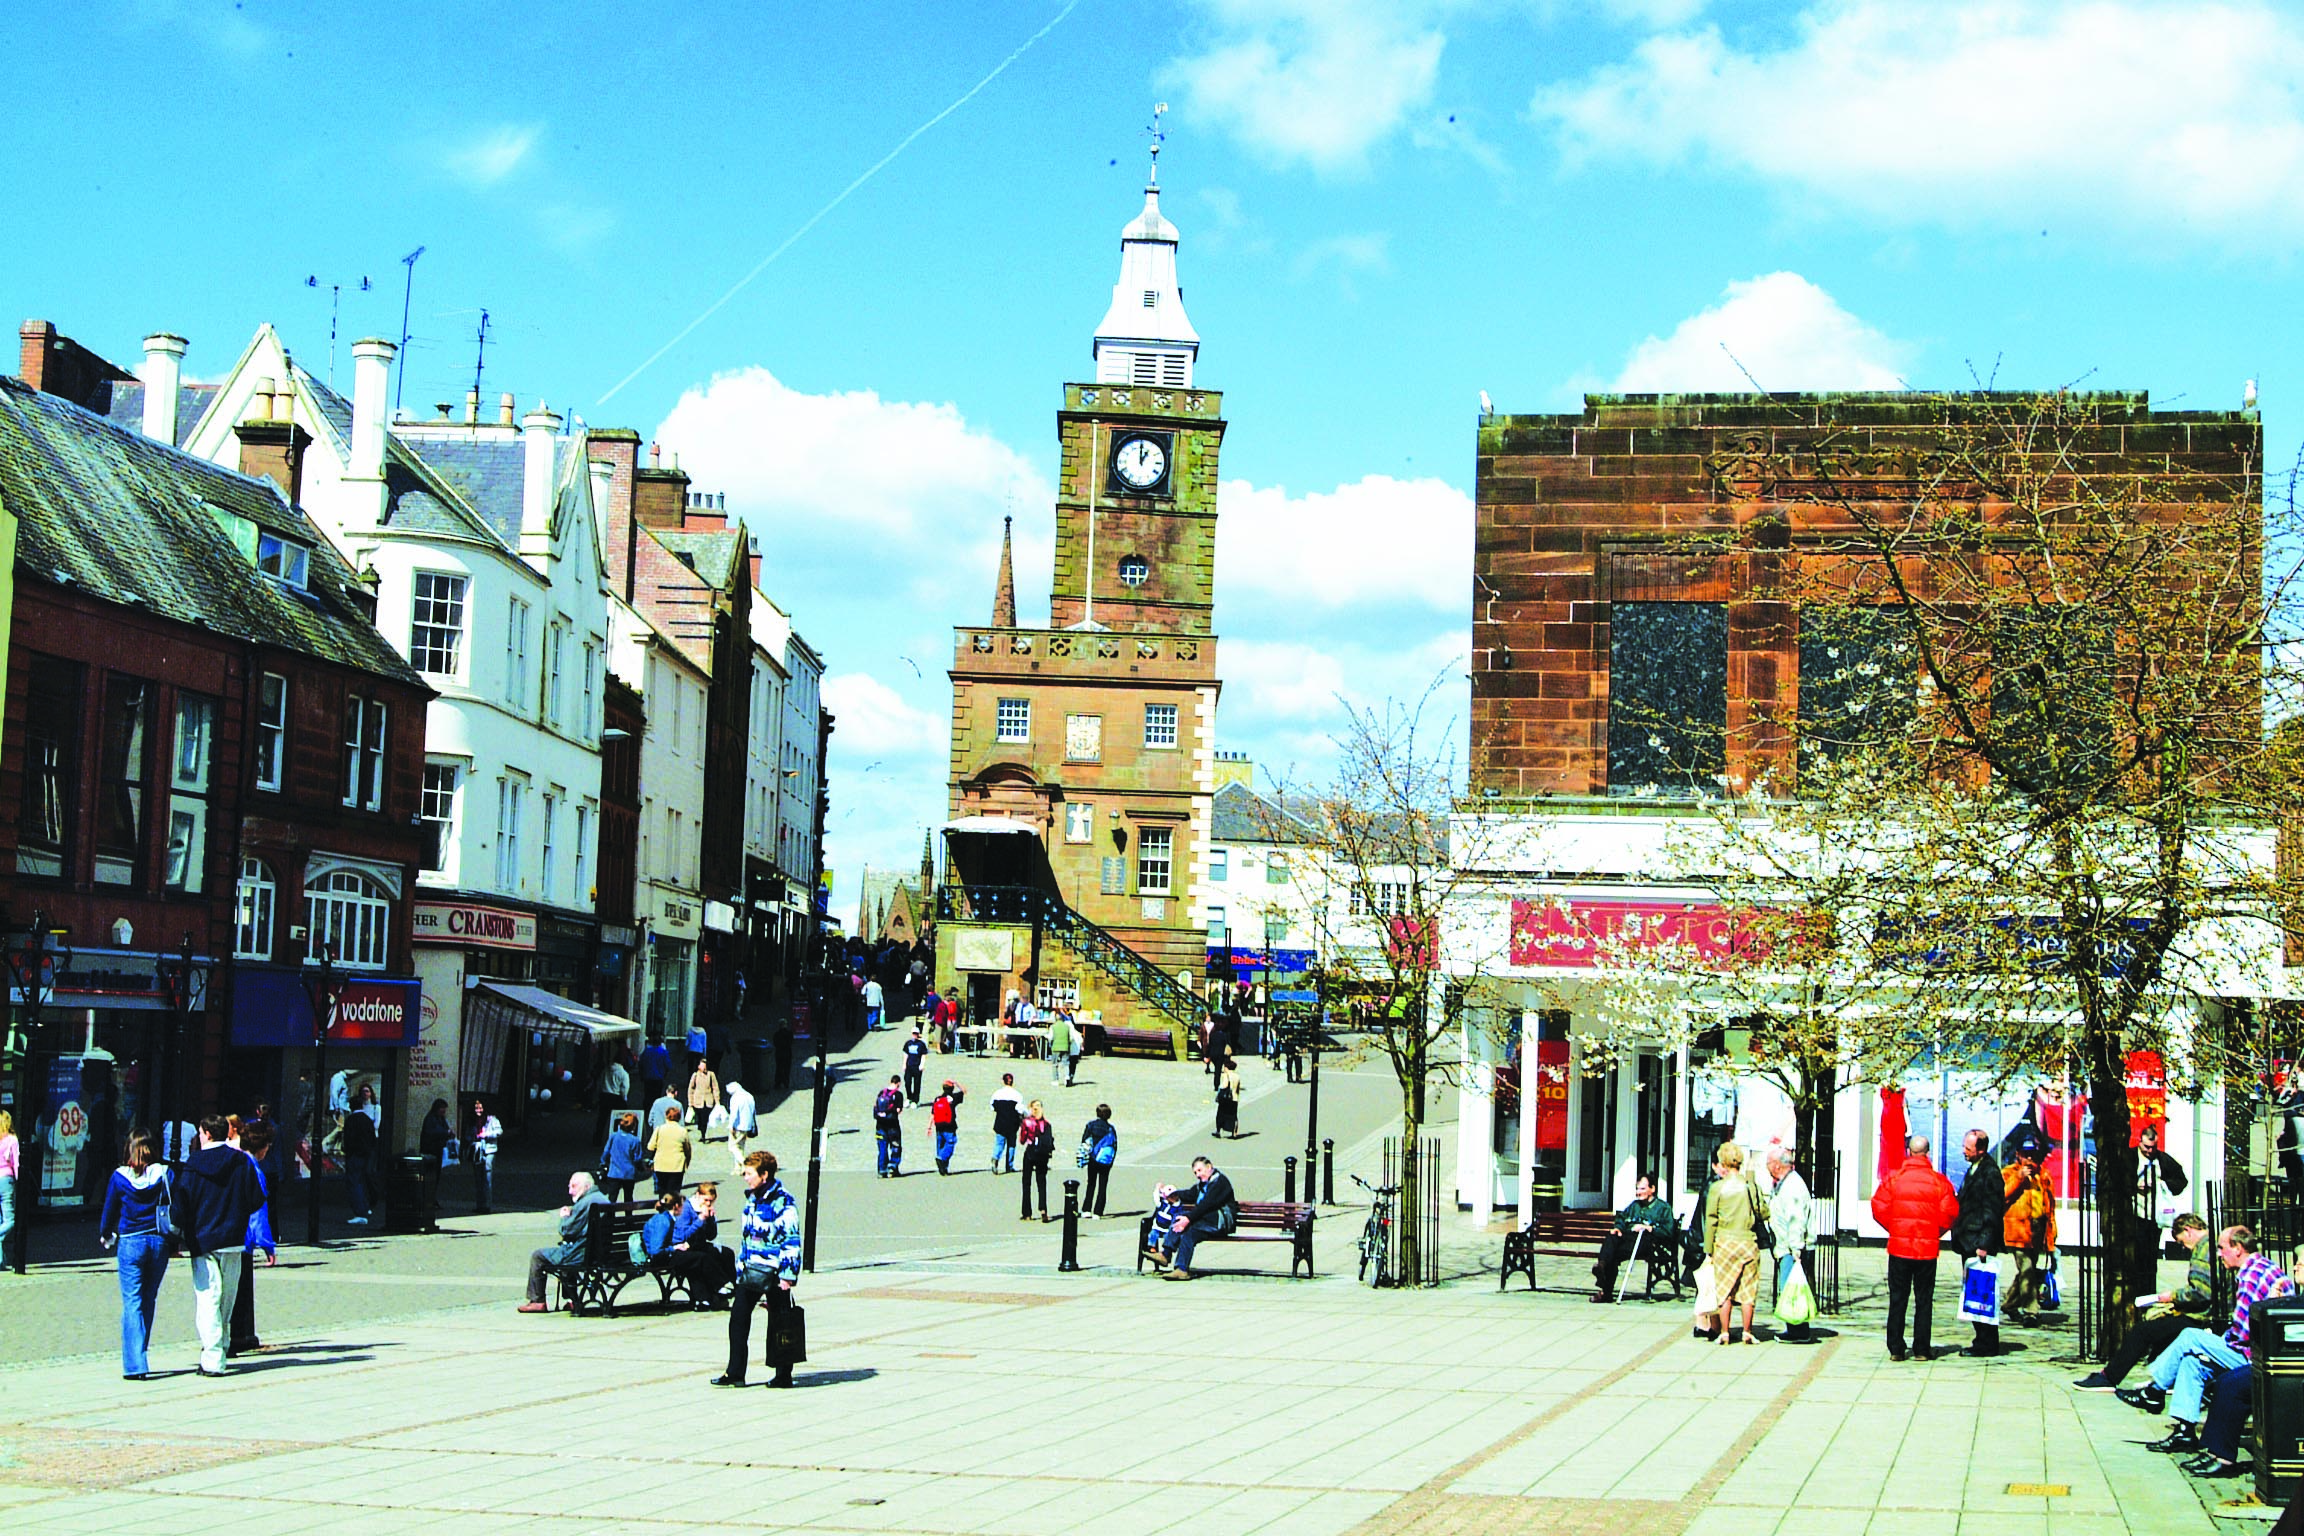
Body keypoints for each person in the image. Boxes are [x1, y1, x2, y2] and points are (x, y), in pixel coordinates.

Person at [2120, 1225, 2296, 1453]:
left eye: (2222, 1248)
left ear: (2238, 1248)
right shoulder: (2263, 1267)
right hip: (2259, 1349)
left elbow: (2243, 1334)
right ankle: (2184, 1432)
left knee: (2190, 1337)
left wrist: (2214, 1342)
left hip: (2256, 1356)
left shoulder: (2250, 1277)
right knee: (2192, 1363)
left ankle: (2154, 1391)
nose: (2219, 1254)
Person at [2074, 1214, 2214, 1390]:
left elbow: (2200, 1293)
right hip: (2207, 1314)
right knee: (2162, 1330)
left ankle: (2109, 1377)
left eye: (2181, 1242)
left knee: (2142, 1331)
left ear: (2188, 1231)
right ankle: (2166, 1379)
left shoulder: (2203, 1250)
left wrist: (2172, 1297)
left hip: (2202, 1317)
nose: (2183, 1247)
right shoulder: (2213, 1243)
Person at [176, 1114, 264, 1376]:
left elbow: (182, 1203)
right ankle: (222, 1345)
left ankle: (213, 1358)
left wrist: (178, 1229)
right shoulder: (240, 1161)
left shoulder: (193, 1164)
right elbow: (256, 1198)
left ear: (206, 1134)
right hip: (233, 1238)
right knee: (227, 1296)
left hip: (203, 1239)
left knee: (207, 1298)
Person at [715, 1149, 802, 1388]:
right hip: (751, 1269)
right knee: (738, 1319)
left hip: (774, 1272)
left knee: (780, 1322)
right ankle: (735, 1372)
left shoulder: (783, 1201)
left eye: (749, 1173)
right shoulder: (752, 1198)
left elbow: (791, 1239)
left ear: (764, 1175)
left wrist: (788, 1276)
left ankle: (783, 1373)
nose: (745, 1177)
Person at [1871, 1134, 1959, 1362]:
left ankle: (1896, 1348)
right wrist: (1933, 1231)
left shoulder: (1894, 1179)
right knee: (1924, 1299)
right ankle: (1921, 1348)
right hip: (1926, 1250)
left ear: (1909, 1152)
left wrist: (1895, 1227)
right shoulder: (1939, 1182)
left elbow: (1878, 1206)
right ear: (1927, 1153)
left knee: (1898, 1298)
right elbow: (1949, 1213)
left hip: (1900, 1247)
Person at [99, 1129, 171, 1380]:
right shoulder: (165, 1173)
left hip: (130, 1241)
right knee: (148, 1300)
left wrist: (106, 1233)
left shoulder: (120, 1177)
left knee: (132, 1302)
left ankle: (135, 1364)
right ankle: (141, 1349)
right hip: (159, 1240)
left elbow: (109, 1209)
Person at [1704, 1142, 1769, 1346]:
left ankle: (1724, 1332)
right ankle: (1747, 1332)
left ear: (1723, 1162)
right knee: (1748, 1290)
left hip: (1724, 1242)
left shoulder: (1717, 1188)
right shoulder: (1750, 1186)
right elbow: (1764, 1212)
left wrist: (1708, 1250)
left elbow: (1711, 1219)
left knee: (1724, 1290)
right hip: (1748, 1242)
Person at [1951, 1128, 2008, 1356]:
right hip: (1969, 1239)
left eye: (1968, 1148)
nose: (1964, 1151)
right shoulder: (1974, 1169)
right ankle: (1982, 1339)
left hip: (1979, 1242)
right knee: (1974, 1293)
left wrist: (1984, 1243)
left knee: (1981, 1293)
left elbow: (1991, 1211)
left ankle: (1986, 1342)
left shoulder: (1990, 1173)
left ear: (1981, 1149)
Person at [518, 1172, 609, 1313]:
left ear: (586, 1186)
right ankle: (571, 1299)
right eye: (569, 1186)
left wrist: (564, 1217)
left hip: (582, 1254)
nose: (570, 1191)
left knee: (538, 1256)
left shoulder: (586, 1203)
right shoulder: (603, 1199)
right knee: (566, 1253)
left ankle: (537, 1301)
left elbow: (567, 1230)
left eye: (574, 1186)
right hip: (599, 1252)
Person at [229, 1120, 278, 1357]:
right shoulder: (253, 1169)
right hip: (243, 1238)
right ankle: (241, 1335)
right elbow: (258, 1211)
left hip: (224, 1234)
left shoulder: (233, 1161)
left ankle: (237, 1334)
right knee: (242, 1289)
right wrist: (267, 1245)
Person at [1592, 1172, 1677, 1303]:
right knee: (1612, 1237)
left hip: (1648, 1242)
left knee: (1612, 1254)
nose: (1638, 1192)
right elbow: (1621, 1218)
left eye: (1642, 1189)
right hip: (1628, 1239)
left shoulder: (1663, 1208)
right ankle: (1601, 1267)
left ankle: (1605, 1291)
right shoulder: (1634, 1206)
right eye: (1637, 1189)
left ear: (1652, 1189)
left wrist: (1649, 1228)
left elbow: (1668, 1231)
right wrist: (1618, 1228)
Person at [1763, 1148, 1818, 1342]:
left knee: (1792, 1289)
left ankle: (1798, 1331)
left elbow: (1796, 1219)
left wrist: (1796, 1248)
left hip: (1792, 1249)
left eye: (1768, 1162)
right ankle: (1795, 1328)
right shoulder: (1783, 1184)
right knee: (1790, 1288)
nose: (1766, 1166)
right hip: (1786, 1246)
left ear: (1777, 1164)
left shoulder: (1792, 1186)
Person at [2003, 1145, 2057, 1324]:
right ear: (2018, 1155)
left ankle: (2009, 1304)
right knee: (2026, 1269)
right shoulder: (2009, 1172)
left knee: (2029, 1271)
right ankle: (2031, 1311)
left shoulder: (2043, 1175)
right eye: (2026, 1156)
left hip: (2037, 1228)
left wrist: (2051, 1234)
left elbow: (2050, 1207)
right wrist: (2018, 1179)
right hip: (2017, 1229)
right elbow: (2001, 1195)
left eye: (2034, 1156)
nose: (2030, 1160)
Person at [1162, 1155, 1238, 1281]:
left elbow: (1206, 1205)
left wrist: (1188, 1219)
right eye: (1195, 1172)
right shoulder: (1202, 1185)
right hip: (1206, 1221)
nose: (1197, 1175)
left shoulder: (1220, 1182)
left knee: (1186, 1224)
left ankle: (1174, 1262)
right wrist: (1173, 1195)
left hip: (1219, 1222)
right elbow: (1190, 1194)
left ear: (1209, 1167)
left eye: (1199, 1170)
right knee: (1185, 1228)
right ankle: (1173, 1261)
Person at [663, 1182, 734, 1306]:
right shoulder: (687, 1209)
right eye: (706, 1200)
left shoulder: (705, 1209)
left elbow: (711, 1236)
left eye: (711, 1201)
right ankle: (719, 1286)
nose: (708, 1204)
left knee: (726, 1253)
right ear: (698, 1195)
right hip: (682, 1247)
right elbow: (681, 1236)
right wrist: (700, 1220)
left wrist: (711, 1220)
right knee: (703, 1258)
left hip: (698, 1244)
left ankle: (728, 1290)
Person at [2135, 1124, 2188, 1283]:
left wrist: (2161, 1184)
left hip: (2154, 1216)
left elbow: (2181, 1181)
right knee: (2135, 1258)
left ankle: (2148, 1291)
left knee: (2150, 1259)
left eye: (2153, 1147)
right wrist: (2134, 1186)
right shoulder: (2131, 1158)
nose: (2150, 1151)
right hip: (2134, 1214)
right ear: (2139, 1142)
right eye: (2146, 1147)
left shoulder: (2162, 1159)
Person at [341, 1088, 378, 1227]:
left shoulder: (352, 1120)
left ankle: (360, 1212)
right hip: (366, 1155)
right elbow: (373, 1139)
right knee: (361, 1181)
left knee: (354, 1182)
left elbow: (349, 1140)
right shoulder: (367, 1120)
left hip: (354, 1155)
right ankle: (365, 1207)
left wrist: (348, 1150)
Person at [417, 1099, 454, 1226]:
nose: (444, 1111)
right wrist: (445, 1133)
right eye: (442, 1108)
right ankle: (427, 1199)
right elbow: (431, 1132)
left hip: (438, 1152)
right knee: (429, 1176)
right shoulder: (431, 1119)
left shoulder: (441, 1119)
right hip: (430, 1152)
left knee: (436, 1176)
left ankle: (432, 1198)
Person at [1079, 1105, 1118, 1218]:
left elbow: (1084, 1141)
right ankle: (1098, 1211)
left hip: (1093, 1158)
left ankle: (1086, 1209)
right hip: (1105, 1160)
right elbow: (1114, 1145)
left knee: (1091, 1183)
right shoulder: (1111, 1128)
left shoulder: (1091, 1125)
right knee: (1102, 1185)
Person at [601, 1112, 648, 1205]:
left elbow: (606, 1152)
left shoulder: (613, 1136)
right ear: (634, 1126)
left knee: (612, 1198)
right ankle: (628, 1217)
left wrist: (603, 1163)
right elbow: (637, 1159)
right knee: (628, 1198)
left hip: (614, 1173)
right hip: (628, 1174)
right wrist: (642, 1168)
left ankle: (610, 1217)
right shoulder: (635, 1141)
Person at [1019, 1100, 1054, 1221]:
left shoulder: (1027, 1122)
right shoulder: (1047, 1124)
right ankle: (1043, 1209)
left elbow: (1022, 1140)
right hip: (1042, 1155)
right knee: (1041, 1182)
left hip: (1030, 1153)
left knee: (1027, 1183)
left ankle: (1027, 1212)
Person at [648, 1105, 692, 1199]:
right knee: (674, 1192)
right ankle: (673, 1211)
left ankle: (663, 1210)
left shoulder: (659, 1129)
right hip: (677, 1166)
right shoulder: (682, 1131)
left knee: (662, 1191)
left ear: (666, 1116)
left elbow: (650, 1147)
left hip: (661, 1165)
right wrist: (687, 1163)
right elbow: (687, 1150)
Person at [470, 1100, 503, 1214]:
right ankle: (479, 1205)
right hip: (477, 1151)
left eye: (480, 1108)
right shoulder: (473, 1121)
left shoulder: (492, 1119)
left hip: (489, 1151)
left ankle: (487, 1206)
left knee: (487, 1178)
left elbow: (499, 1131)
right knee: (478, 1179)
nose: (478, 1111)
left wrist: (487, 1135)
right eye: (476, 1108)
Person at [595, 1051, 631, 1147]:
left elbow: (600, 1082)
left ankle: (597, 1139)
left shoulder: (606, 1070)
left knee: (602, 1119)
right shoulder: (623, 1073)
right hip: (616, 1097)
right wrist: (624, 1098)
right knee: (618, 1119)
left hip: (604, 1095)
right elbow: (624, 1088)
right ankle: (617, 1138)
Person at [874, 1075, 906, 1178]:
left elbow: (876, 1107)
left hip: (880, 1126)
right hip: (893, 1126)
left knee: (882, 1148)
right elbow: (898, 1110)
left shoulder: (881, 1093)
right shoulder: (898, 1095)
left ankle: (882, 1170)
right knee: (895, 1146)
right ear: (898, 1083)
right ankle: (893, 1167)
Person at [687, 1056, 722, 1140]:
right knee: (699, 1117)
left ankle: (703, 1133)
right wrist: (690, 1102)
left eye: (705, 1066)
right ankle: (700, 1127)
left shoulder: (711, 1074)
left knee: (705, 1117)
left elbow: (715, 1088)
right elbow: (691, 1089)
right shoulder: (695, 1075)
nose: (704, 1068)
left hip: (708, 1101)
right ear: (699, 1066)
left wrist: (717, 1101)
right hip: (698, 1101)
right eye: (702, 1065)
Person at [932, 1081, 963, 1173]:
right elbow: (964, 1091)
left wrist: (929, 1126)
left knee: (940, 1145)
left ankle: (943, 1168)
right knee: (950, 1143)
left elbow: (933, 1113)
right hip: (950, 1125)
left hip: (938, 1125)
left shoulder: (938, 1098)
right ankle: (942, 1159)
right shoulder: (953, 1098)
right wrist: (957, 1083)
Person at [0, 1110, 18, 1271]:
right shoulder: (12, 1140)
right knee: (10, 1220)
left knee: (0, 1220)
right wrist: (19, 1180)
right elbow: (16, 1162)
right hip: (6, 1179)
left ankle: (0, 1262)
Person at [726, 1080, 758, 1167]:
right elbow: (753, 1112)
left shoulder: (735, 1098)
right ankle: (738, 1168)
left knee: (732, 1146)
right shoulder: (749, 1096)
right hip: (747, 1126)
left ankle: (744, 1163)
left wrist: (730, 1125)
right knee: (741, 1147)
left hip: (738, 1126)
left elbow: (734, 1113)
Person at [1215, 1052, 1242, 1138]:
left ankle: (1218, 1130)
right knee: (1233, 1116)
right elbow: (1237, 1089)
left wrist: (1219, 1093)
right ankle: (1234, 1132)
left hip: (1227, 1099)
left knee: (1221, 1114)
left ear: (1226, 1067)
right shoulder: (1237, 1076)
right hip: (1234, 1098)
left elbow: (1225, 1085)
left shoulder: (1226, 1075)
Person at [902, 1026, 929, 1105]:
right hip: (909, 1066)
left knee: (917, 1084)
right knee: (907, 1082)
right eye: (913, 1033)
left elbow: (923, 1055)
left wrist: (922, 1065)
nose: (914, 1035)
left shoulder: (921, 1044)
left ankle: (915, 1100)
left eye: (916, 1034)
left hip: (917, 1066)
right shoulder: (908, 1043)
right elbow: (905, 1054)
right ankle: (909, 1097)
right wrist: (904, 1064)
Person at [1048, 1009, 1073, 1087]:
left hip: (1055, 1047)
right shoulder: (1067, 1026)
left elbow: (1051, 1037)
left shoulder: (1053, 1027)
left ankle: (1055, 1080)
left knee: (1055, 1064)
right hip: (1065, 1047)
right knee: (1066, 1064)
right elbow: (1071, 1038)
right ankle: (1067, 1077)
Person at [772, 1019, 795, 1093]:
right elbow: (791, 1042)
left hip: (779, 1054)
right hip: (787, 1053)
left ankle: (778, 1083)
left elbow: (775, 1043)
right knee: (787, 1069)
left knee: (779, 1068)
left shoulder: (776, 1034)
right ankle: (786, 1083)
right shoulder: (789, 1034)